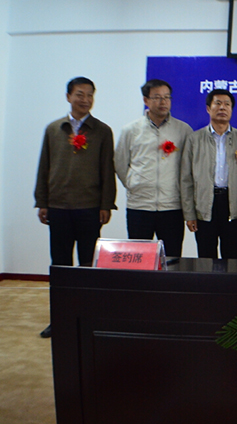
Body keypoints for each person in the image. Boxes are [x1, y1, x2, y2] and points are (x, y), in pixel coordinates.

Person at [34, 76, 117, 338]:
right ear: (68, 96)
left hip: (89, 208)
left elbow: (107, 170)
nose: (85, 99)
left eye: (90, 95)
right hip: (58, 207)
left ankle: (88, 318)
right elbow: (44, 166)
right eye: (80, 94)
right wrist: (42, 201)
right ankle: (60, 319)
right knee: (60, 266)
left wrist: (106, 204)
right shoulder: (53, 129)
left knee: (88, 266)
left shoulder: (102, 131)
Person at [115, 80, 192, 257]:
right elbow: (120, 163)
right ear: (146, 100)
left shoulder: (183, 130)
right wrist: (134, 184)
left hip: (172, 207)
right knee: (139, 258)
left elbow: (188, 167)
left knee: (172, 258)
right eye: (157, 97)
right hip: (140, 206)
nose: (163, 102)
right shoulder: (131, 130)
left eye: (167, 97)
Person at [181, 89, 237, 259]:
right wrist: (189, 214)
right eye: (218, 103)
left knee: (233, 257)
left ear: (231, 109)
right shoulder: (194, 139)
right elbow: (186, 179)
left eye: (227, 104)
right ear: (208, 108)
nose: (222, 108)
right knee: (206, 257)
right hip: (205, 204)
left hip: (233, 205)